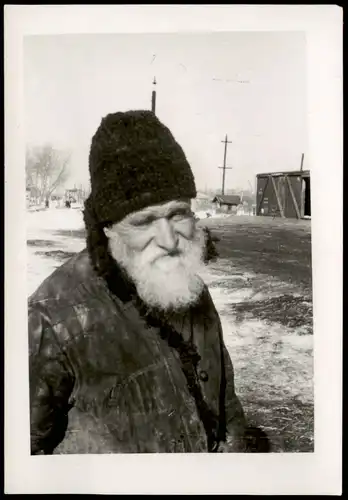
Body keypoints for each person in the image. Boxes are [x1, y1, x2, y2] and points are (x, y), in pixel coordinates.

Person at [28, 110, 269, 454]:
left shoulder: (190, 291)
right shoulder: (52, 320)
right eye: (145, 221)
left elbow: (226, 407)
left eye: (177, 214)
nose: (169, 240)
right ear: (109, 227)